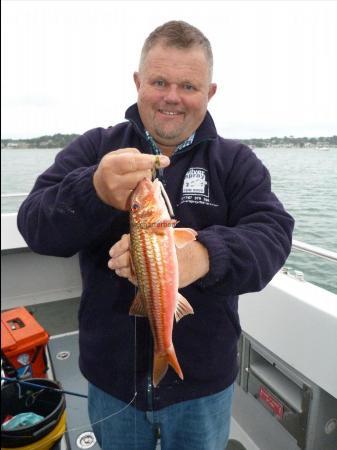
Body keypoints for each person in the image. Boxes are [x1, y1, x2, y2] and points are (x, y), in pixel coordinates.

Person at [17, 20, 294, 450]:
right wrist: (92, 190)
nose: (171, 97)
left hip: (203, 384)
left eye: (188, 85)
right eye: (159, 81)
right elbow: (34, 225)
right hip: (112, 382)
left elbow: (274, 234)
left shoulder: (235, 162)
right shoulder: (97, 149)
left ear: (210, 93)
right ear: (137, 83)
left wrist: (203, 255)